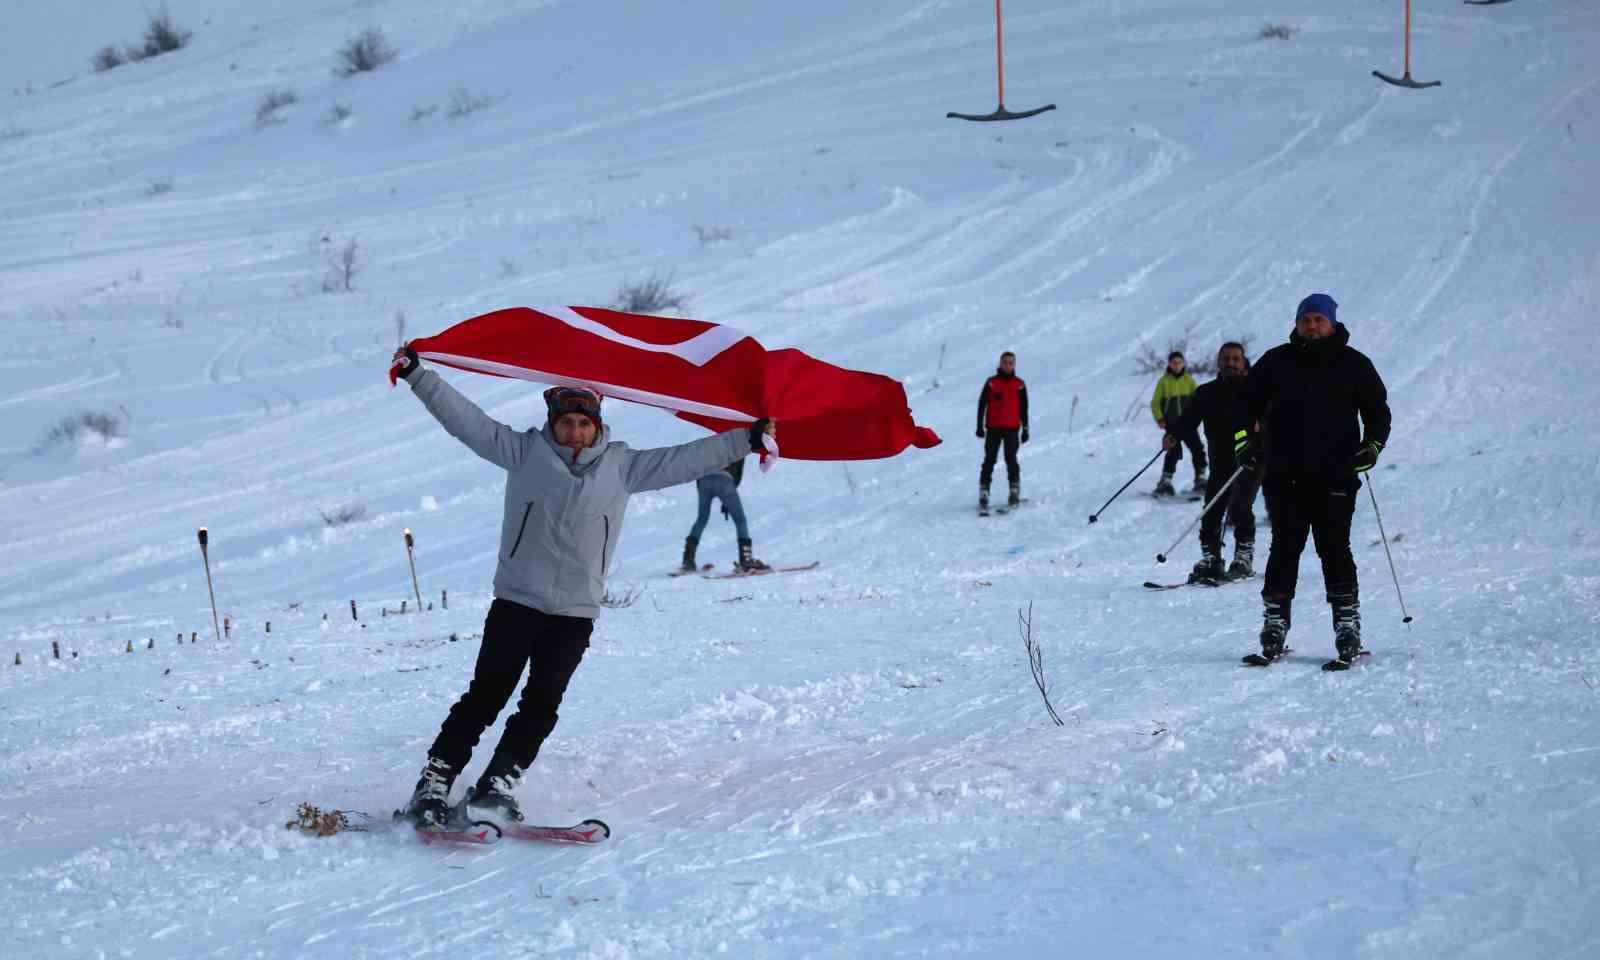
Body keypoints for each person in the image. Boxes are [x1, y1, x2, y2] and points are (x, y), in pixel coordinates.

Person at [389, 344, 775, 828]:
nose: (574, 432)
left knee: (543, 702)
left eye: (583, 423)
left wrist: (748, 438)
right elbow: (467, 421)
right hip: (518, 601)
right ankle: (434, 783)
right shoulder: (523, 452)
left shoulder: (624, 467)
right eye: (566, 423)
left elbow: (690, 458)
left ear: (597, 426)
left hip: (575, 610)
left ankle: (496, 784)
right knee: (487, 695)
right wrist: (420, 376)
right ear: (552, 423)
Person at [1233, 294, 1391, 665]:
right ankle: (1274, 622)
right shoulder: (1276, 362)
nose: (1312, 325)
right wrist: (1245, 442)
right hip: (1283, 473)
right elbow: (1245, 406)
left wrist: (1372, 447)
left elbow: (1378, 412)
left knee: (1334, 547)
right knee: (1285, 547)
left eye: (1319, 319)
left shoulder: (1354, 364)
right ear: (1298, 322)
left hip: (1335, 473)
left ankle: (1347, 623)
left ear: (1333, 323)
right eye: (1306, 319)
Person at [1164, 342, 1259, 582]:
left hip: (1249, 461)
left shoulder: (1254, 390)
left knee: (1240, 507)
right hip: (1220, 460)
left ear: (1243, 362)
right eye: (1226, 358)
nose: (1230, 363)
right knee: (1211, 510)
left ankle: (1243, 558)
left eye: (1235, 359)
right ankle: (1211, 558)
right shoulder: (1207, 393)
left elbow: (1270, 416)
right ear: (1218, 362)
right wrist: (1173, 434)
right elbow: (1188, 419)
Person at [681, 456, 769, 573]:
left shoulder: (714, 442)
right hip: (724, 481)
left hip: (704, 480)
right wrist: (727, 500)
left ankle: (688, 561)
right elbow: (737, 475)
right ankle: (746, 561)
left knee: (701, 519)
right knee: (740, 520)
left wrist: (701, 486)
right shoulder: (738, 446)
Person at [976, 351, 1029, 512]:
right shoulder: (991, 383)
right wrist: (979, 426)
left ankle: (1014, 491)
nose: (1007, 365)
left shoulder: (1019, 384)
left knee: (1011, 460)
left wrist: (1025, 428)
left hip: (1012, 428)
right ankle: (984, 492)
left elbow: (1024, 408)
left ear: (1014, 365)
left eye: (1010, 362)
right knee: (989, 461)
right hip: (993, 428)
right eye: (1005, 362)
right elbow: (982, 404)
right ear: (1000, 364)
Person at [1150, 351, 1205, 496]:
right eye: (1174, 362)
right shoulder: (1164, 381)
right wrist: (1160, 418)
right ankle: (1165, 482)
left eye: (1179, 362)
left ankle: (1201, 479)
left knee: (1197, 449)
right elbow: (1155, 402)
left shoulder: (1189, 380)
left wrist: (1199, 416)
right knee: (1173, 451)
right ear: (1169, 364)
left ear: (1184, 364)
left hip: (1189, 423)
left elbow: (1198, 400)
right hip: (1172, 424)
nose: (1177, 365)